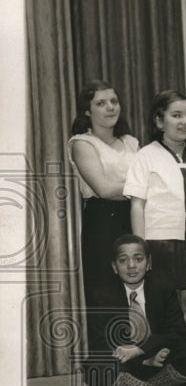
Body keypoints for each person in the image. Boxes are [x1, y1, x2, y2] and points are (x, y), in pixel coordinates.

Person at [124, 90, 186, 341]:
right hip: (161, 240)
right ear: (160, 121)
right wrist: (141, 249)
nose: (184, 122)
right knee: (167, 306)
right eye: (176, 115)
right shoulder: (146, 155)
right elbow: (137, 205)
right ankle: (165, 365)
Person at [83, 235, 186, 386]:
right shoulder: (101, 295)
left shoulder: (162, 288)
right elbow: (99, 343)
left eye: (138, 259)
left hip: (159, 362)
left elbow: (179, 333)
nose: (131, 266)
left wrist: (143, 349)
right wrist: (143, 360)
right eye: (123, 261)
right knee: (94, 367)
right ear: (114, 267)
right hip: (126, 366)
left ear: (149, 263)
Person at [67, 80, 139, 304]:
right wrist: (140, 187)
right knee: (104, 288)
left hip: (134, 215)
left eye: (114, 101)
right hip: (102, 221)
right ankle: (106, 340)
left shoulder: (131, 142)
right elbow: (104, 189)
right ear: (87, 111)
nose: (110, 107)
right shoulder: (82, 143)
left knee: (135, 285)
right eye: (101, 103)